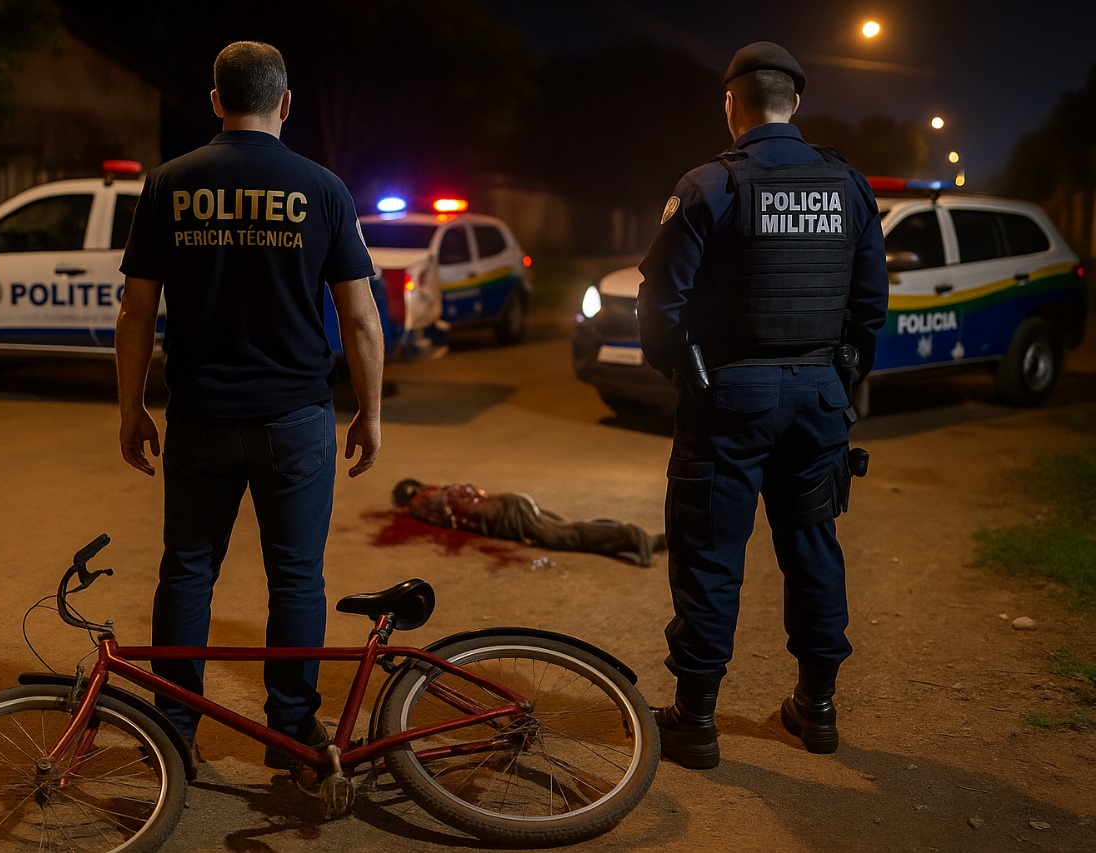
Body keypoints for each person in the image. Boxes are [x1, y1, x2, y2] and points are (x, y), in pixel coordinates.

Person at [115, 41, 384, 771]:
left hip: (199, 417)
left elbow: (136, 313)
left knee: (187, 572)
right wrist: (370, 410)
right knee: (296, 576)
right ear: (286, 103)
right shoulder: (323, 188)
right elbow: (359, 316)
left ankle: (173, 732)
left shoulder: (170, 184)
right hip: (296, 421)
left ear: (214, 101)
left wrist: (131, 408)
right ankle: (293, 733)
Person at [636, 41, 888, 769]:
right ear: (796, 104)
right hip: (816, 398)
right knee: (813, 546)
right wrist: (839, 378)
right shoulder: (848, 186)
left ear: (731, 104)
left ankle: (696, 720)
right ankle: (817, 708)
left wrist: (688, 376)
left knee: (711, 552)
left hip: (730, 400)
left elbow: (661, 308)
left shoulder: (710, 184)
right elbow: (871, 305)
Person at [392, 479, 666, 567]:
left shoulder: (421, 502)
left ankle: (637, 538)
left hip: (505, 516)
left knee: (563, 536)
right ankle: (634, 539)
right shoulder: (442, 489)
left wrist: (409, 509)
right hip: (510, 503)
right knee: (569, 529)